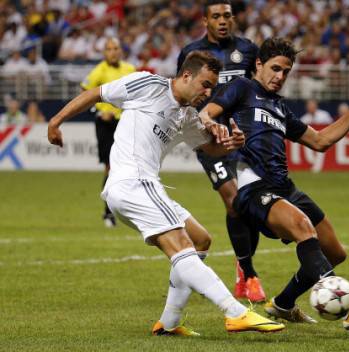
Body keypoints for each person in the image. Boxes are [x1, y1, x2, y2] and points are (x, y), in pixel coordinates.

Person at [47, 51, 284, 336]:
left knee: (200, 239)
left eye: (212, 88)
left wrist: (231, 143)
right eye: (205, 85)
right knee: (182, 245)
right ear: (186, 76)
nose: (208, 93)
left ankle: (169, 322)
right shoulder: (148, 85)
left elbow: (209, 147)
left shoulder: (186, 115)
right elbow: (97, 94)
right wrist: (56, 121)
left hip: (143, 186)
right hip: (133, 182)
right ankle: (235, 312)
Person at [199, 38, 349, 330]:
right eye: (275, 68)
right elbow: (206, 113)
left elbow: (321, 141)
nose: (280, 76)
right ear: (258, 65)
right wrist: (216, 128)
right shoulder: (242, 88)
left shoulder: (280, 108)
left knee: (335, 252)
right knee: (303, 227)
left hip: (285, 188)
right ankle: (347, 305)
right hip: (254, 189)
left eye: (286, 72)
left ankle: (284, 304)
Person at [177, 0, 265, 302]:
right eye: (216, 16)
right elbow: (182, 93)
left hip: (244, 138)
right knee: (232, 201)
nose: (223, 21)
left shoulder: (249, 50)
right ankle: (250, 274)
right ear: (206, 20)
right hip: (210, 140)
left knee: (249, 206)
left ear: (234, 18)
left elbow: (260, 91)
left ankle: (242, 267)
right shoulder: (192, 53)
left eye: (227, 15)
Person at [81, 37, 136, 228]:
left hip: (126, 123)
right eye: (109, 49)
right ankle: (108, 213)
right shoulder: (99, 71)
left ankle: (125, 210)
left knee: (129, 167)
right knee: (111, 168)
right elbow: (84, 94)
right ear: (104, 52)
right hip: (105, 125)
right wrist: (98, 111)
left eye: (116, 48)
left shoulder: (129, 69)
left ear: (121, 51)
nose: (113, 52)